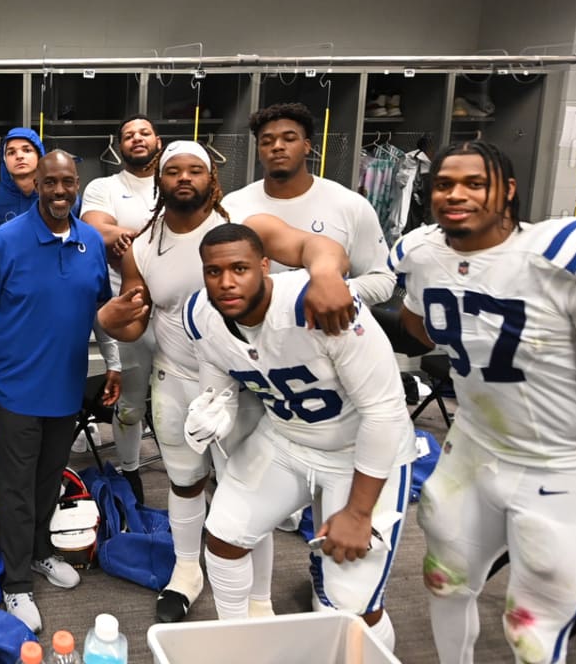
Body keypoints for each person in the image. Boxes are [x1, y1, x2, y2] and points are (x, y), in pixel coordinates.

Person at [387, 140, 576, 663]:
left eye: (474, 183)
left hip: (563, 467)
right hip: (474, 450)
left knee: (531, 629)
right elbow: (420, 331)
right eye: (443, 184)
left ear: (508, 190)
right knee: (443, 582)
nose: (455, 194)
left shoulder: (562, 259)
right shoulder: (424, 255)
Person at [97, 140, 354, 624]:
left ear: (211, 177)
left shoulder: (242, 225)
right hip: (174, 379)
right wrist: (111, 320)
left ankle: (259, 600)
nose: (185, 178)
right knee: (184, 483)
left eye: (196, 169)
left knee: (248, 495)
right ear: (160, 180)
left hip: (244, 385)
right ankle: (188, 571)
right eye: (174, 171)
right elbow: (135, 318)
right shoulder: (147, 243)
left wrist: (324, 272)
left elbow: (315, 246)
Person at [185, 222, 415, 652]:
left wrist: (360, 513)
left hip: (358, 450)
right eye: (213, 272)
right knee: (224, 533)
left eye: (240, 268)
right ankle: (237, 649)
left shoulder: (314, 304)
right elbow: (223, 376)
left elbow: (384, 412)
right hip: (287, 439)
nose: (226, 282)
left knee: (354, 604)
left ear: (265, 266)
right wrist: (215, 411)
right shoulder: (202, 315)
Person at [0, 150, 122, 633]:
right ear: (35, 184)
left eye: (67, 182)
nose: (58, 192)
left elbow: (102, 312)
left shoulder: (90, 240)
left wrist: (112, 364)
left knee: (50, 478)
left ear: (77, 184)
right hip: (13, 385)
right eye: (50, 182)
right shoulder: (4, 242)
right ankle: (15, 583)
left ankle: (40, 553)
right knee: (15, 485)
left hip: (65, 384)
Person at [222, 103, 395, 306]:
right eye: (267, 141)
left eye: (289, 138)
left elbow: (383, 279)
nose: (277, 146)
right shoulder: (233, 206)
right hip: (254, 333)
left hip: (326, 331)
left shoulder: (350, 204)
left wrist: (331, 290)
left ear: (306, 146)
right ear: (259, 150)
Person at [78, 115, 162, 500]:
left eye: (144, 132)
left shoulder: (177, 176)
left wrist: (130, 239)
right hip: (126, 310)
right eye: (128, 135)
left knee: (184, 399)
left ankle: (193, 477)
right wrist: (164, 236)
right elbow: (96, 229)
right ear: (119, 146)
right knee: (130, 403)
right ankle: (130, 473)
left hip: (178, 312)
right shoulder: (104, 186)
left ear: (157, 140)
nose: (137, 139)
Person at [0, 126, 46, 227]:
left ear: (39, 155)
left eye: (27, 150)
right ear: (4, 160)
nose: (19, 156)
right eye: (11, 153)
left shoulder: (54, 194)